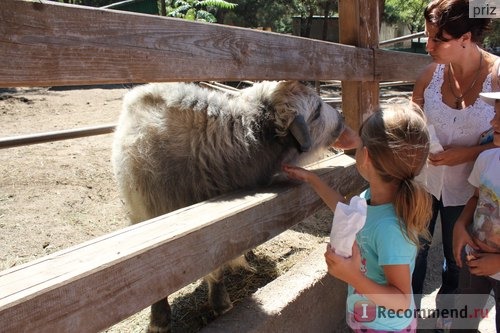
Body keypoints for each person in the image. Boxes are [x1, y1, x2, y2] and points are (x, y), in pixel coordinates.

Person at [283, 103, 432, 332]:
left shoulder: (390, 228)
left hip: (385, 327)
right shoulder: (373, 197)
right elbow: (347, 211)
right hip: (367, 317)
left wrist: (352, 276)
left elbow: (402, 301)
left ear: (366, 157)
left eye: (360, 144)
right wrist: (313, 179)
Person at [411, 0, 498, 323]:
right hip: (425, 181)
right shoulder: (428, 76)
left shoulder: (497, 77)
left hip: (469, 189)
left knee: (456, 254)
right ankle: (407, 314)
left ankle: (449, 315)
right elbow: (414, 122)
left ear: (466, 38)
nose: (429, 46)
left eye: (438, 39)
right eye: (427, 36)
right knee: (413, 249)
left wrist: (465, 154)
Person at [451, 92, 500, 332]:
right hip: (475, 260)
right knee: (463, 322)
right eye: (496, 113)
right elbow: (476, 197)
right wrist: (461, 225)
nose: (494, 122)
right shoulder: (487, 158)